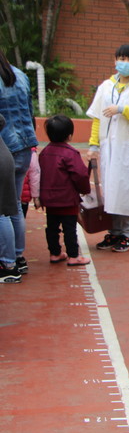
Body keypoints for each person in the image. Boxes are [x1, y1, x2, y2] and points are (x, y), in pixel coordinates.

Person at [86, 44, 129, 252]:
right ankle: (114, 231)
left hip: (128, 147)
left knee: (127, 189)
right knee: (110, 190)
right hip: (109, 147)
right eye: (121, 58)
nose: (125, 63)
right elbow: (97, 117)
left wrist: (123, 110)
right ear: (115, 60)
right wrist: (93, 144)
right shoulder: (107, 86)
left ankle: (128, 233)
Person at [0, 49, 38, 278]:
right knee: (14, 205)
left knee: (2, 210)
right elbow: (30, 111)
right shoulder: (19, 75)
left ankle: (7, 263)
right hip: (24, 145)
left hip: (4, 148)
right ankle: (18, 256)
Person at [38, 114, 92, 266]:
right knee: (69, 228)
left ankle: (54, 253)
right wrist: (84, 189)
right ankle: (73, 256)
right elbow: (80, 174)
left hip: (49, 198)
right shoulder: (70, 153)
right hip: (67, 198)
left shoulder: (44, 153)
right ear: (69, 135)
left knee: (52, 227)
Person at [0, 114, 21, 283]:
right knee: (6, 211)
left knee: (2, 214)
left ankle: (8, 265)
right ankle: (12, 260)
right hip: (5, 157)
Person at [20, 146, 40, 217]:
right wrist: (36, 197)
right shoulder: (31, 153)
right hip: (23, 195)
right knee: (19, 216)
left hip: (7, 193)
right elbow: (35, 176)